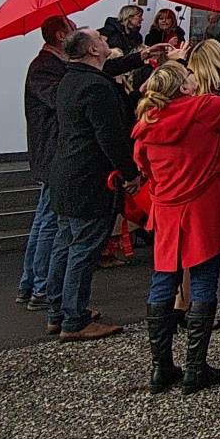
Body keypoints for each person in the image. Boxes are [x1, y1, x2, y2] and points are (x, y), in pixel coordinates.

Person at [131, 44, 220, 394]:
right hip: (204, 207)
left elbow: (143, 166)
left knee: (163, 280)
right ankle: (196, 367)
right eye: (187, 75)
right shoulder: (202, 108)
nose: (193, 76)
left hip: (166, 208)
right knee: (202, 281)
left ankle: (160, 367)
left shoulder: (147, 121)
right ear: (183, 86)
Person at [47, 27, 144, 341]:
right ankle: (74, 320)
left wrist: (142, 56)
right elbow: (110, 136)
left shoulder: (70, 79)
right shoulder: (95, 88)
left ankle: (59, 311)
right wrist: (130, 174)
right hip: (88, 178)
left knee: (65, 245)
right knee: (83, 249)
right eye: (101, 40)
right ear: (91, 50)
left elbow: (110, 69)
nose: (106, 42)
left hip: (64, 174)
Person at [17, 15, 74, 308]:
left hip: (52, 151)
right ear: (61, 35)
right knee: (50, 220)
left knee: (44, 218)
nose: (77, 31)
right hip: (51, 152)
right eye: (72, 27)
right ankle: (40, 287)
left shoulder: (55, 67)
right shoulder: (43, 68)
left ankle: (30, 283)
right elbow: (59, 99)